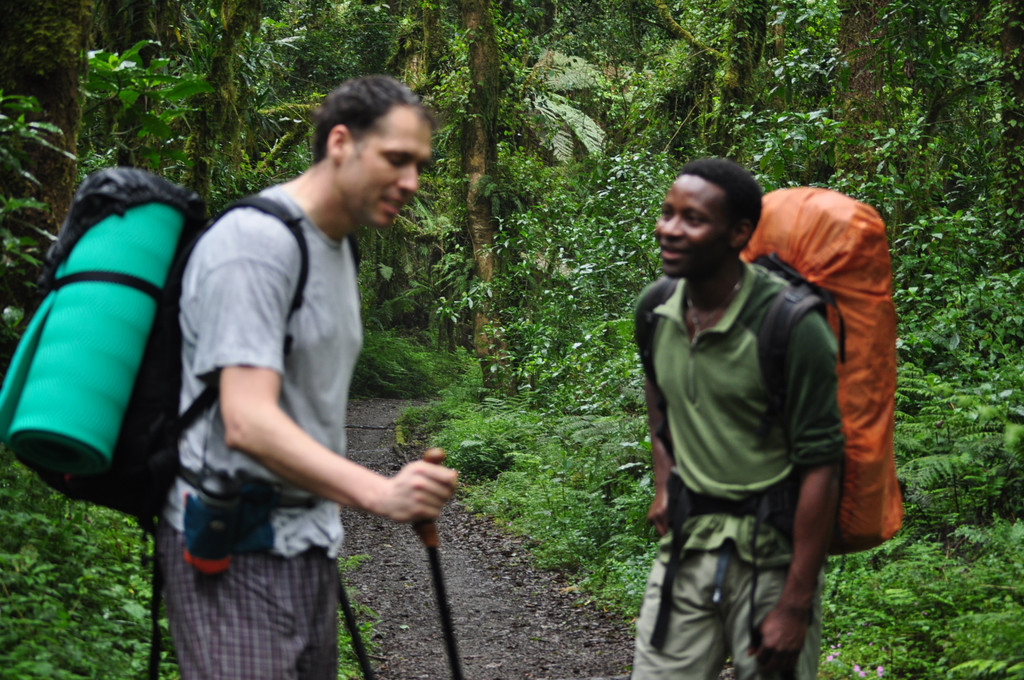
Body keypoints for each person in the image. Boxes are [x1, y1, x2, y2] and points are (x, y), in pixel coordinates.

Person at [157, 75, 459, 679]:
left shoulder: (338, 246)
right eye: (396, 160)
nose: (412, 183)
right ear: (340, 142)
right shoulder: (256, 243)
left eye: (420, 165)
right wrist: (379, 492)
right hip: (235, 545)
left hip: (307, 540)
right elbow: (246, 420)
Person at [631, 158, 844, 680]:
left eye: (692, 219)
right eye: (666, 214)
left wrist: (795, 605)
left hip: (772, 556)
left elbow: (823, 466)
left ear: (738, 233)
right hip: (687, 545)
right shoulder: (656, 309)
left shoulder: (791, 326)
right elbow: (658, 393)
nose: (669, 230)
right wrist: (665, 480)